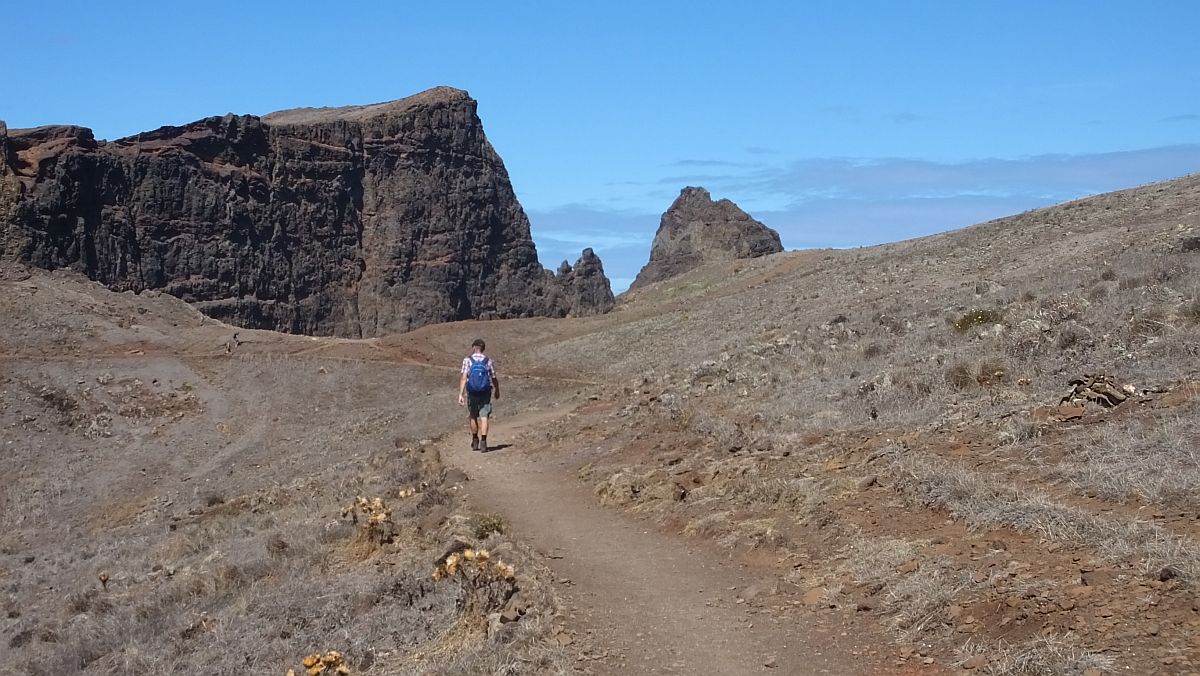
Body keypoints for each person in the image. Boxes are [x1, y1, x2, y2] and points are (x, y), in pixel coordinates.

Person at [458, 338, 499, 451]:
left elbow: (463, 377)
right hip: (485, 392)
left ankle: (475, 440)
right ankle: (484, 442)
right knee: (484, 416)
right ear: (483, 349)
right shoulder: (488, 361)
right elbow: (494, 377)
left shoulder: (467, 360)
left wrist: (461, 394)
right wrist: (497, 390)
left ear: (473, 347)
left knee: (473, 416)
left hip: (472, 392)